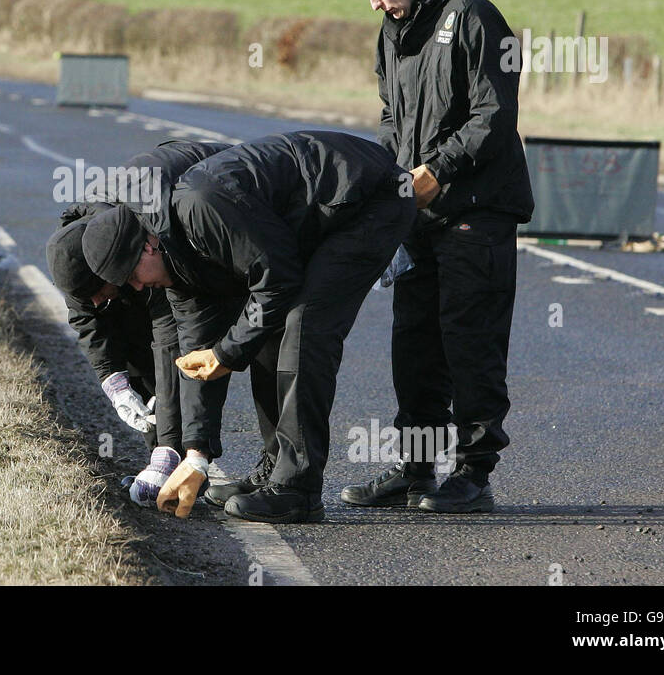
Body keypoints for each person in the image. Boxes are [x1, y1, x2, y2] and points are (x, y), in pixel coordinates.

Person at [82, 130, 415, 524]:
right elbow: (195, 360)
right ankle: (275, 468)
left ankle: (298, 489)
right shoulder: (177, 269)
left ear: (148, 246)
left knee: (303, 327)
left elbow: (277, 283)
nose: (137, 288)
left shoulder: (198, 208)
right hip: (315, 219)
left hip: (367, 198)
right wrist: (196, 456)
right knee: (266, 335)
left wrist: (226, 353)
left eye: (132, 276)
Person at [341, 0, 534, 514]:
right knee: (414, 342)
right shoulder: (391, 29)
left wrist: (438, 170)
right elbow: (389, 113)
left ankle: (475, 473)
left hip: (478, 210)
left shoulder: (476, 17)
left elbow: (494, 114)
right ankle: (417, 468)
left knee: (468, 339)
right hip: (417, 212)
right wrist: (393, 177)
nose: (375, 3)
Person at [45, 139, 233, 506]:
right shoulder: (74, 255)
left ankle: (178, 458)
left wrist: (169, 448)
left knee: (203, 352)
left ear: (108, 267)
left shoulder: (136, 243)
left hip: (218, 195)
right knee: (123, 333)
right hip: (148, 239)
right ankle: (165, 462)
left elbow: (169, 343)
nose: (97, 302)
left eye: (100, 291)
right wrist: (112, 380)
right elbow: (88, 318)